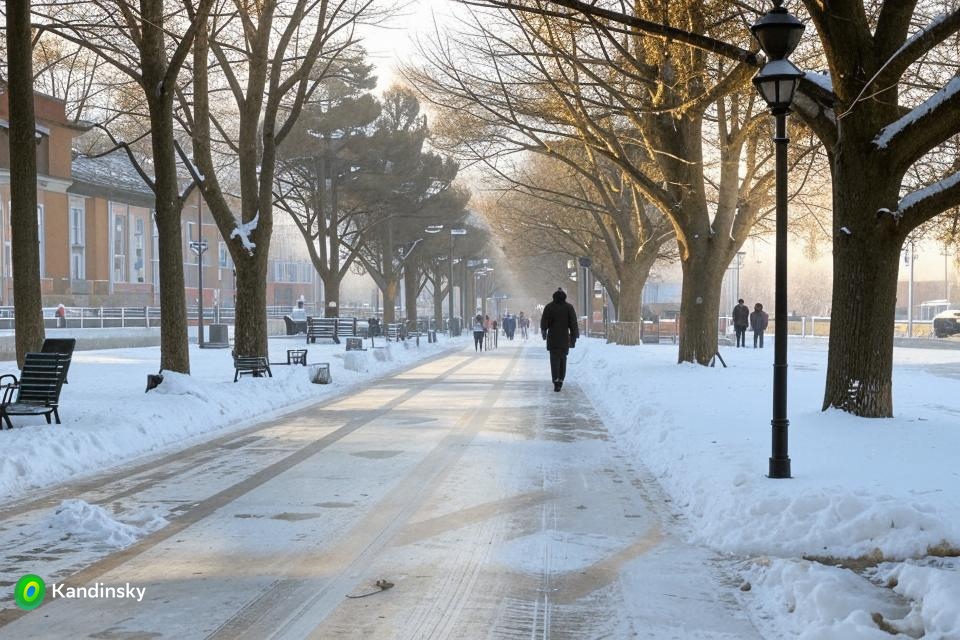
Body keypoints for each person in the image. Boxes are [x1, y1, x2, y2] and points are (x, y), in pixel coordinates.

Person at [540, 287, 579, 392]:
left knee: (554, 360)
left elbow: (544, 323)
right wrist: (574, 338)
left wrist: (544, 333)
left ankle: (555, 380)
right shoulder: (569, 307)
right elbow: (573, 324)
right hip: (564, 339)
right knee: (563, 359)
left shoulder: (549, 307)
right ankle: (561, 379)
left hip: (552, 339)